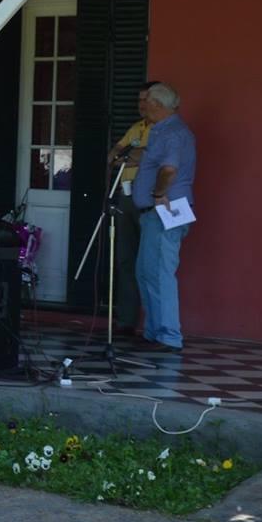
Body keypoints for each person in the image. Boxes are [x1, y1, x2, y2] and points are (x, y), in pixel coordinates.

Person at [133, 81, 197, 354]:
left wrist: (158, 193)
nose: (143, 105)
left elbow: (168, 169)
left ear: (157, 105)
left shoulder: (172, 133)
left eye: (147, 101)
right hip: (154, 214)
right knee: (146, 272)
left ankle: (169, 336)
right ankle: (154, 330)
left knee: (160, 273)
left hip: (165, 210)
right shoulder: (162, 131)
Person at [108, 80, 157, 335]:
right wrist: (127, 157)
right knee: (125, 259)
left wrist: (129, 157)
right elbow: (114, 154)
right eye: (139, 100)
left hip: (150, 199)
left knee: (150, 263)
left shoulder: (164, 130)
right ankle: (126, 320)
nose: (141, 105)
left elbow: (145, 156)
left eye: (146, 100)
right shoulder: (136, 128)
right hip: (126, 196)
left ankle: (154, 327)